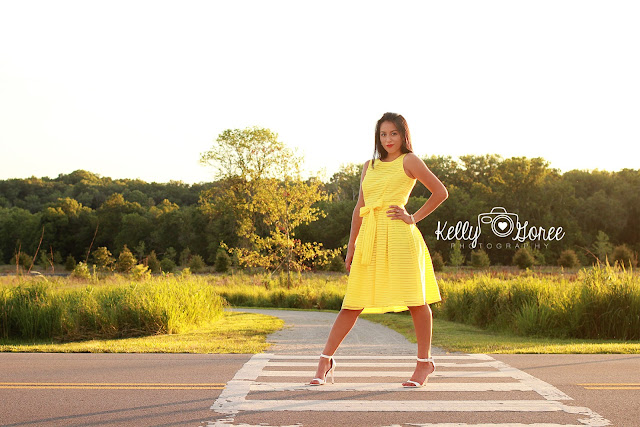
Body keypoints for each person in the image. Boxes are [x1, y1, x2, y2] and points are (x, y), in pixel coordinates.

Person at [309, 112, 448, 388]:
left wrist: (412, 217)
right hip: (369, 238)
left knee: (416, 300)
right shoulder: (369, 166)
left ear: (403, 135)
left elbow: (440, 192)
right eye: (383, 134)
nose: (388, 139)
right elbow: (359, 208)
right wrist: (351, 246)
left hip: (399, 237)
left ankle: (424, 363)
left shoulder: (410, 160)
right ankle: (325, 360)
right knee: (353, 302)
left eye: (393, 133)